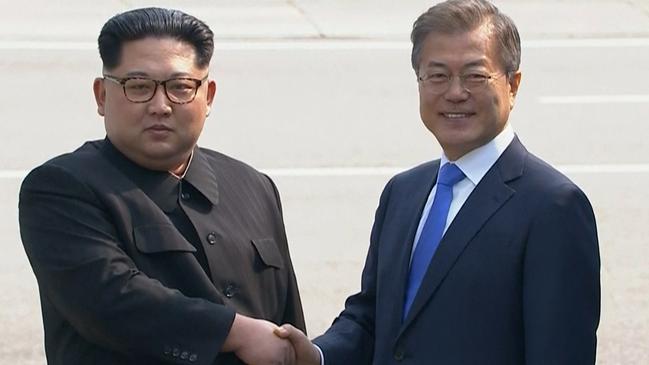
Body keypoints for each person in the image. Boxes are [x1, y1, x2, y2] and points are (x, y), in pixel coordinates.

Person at [276, 0, 600, 364]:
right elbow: (373, 318)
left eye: (475, 75)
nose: (455, 92)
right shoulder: (403, 192)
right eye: (438, 75)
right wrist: (317, 354)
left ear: (513, 85)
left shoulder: (553, 207)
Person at [19, 7, 305, 365]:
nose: (160, 106)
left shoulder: (253, 186)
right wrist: (237, 332)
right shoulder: (61, 188)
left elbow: (288, 323)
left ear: (209, 95)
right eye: (138, 87)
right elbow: (111, 300)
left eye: (180, 87)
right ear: (101, 96)